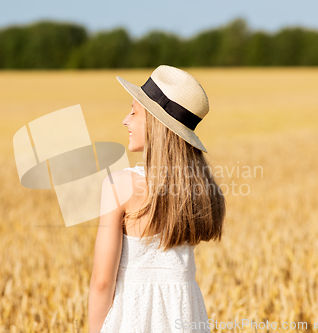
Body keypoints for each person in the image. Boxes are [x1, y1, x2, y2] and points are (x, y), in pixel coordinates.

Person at [88, 65, 226, 333]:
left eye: (134, 112)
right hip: (187, 315)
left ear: (154, 122)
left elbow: (102, 282)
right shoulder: (199, 187)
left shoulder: (121, 185)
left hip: (133, 317)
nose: (125, 120)